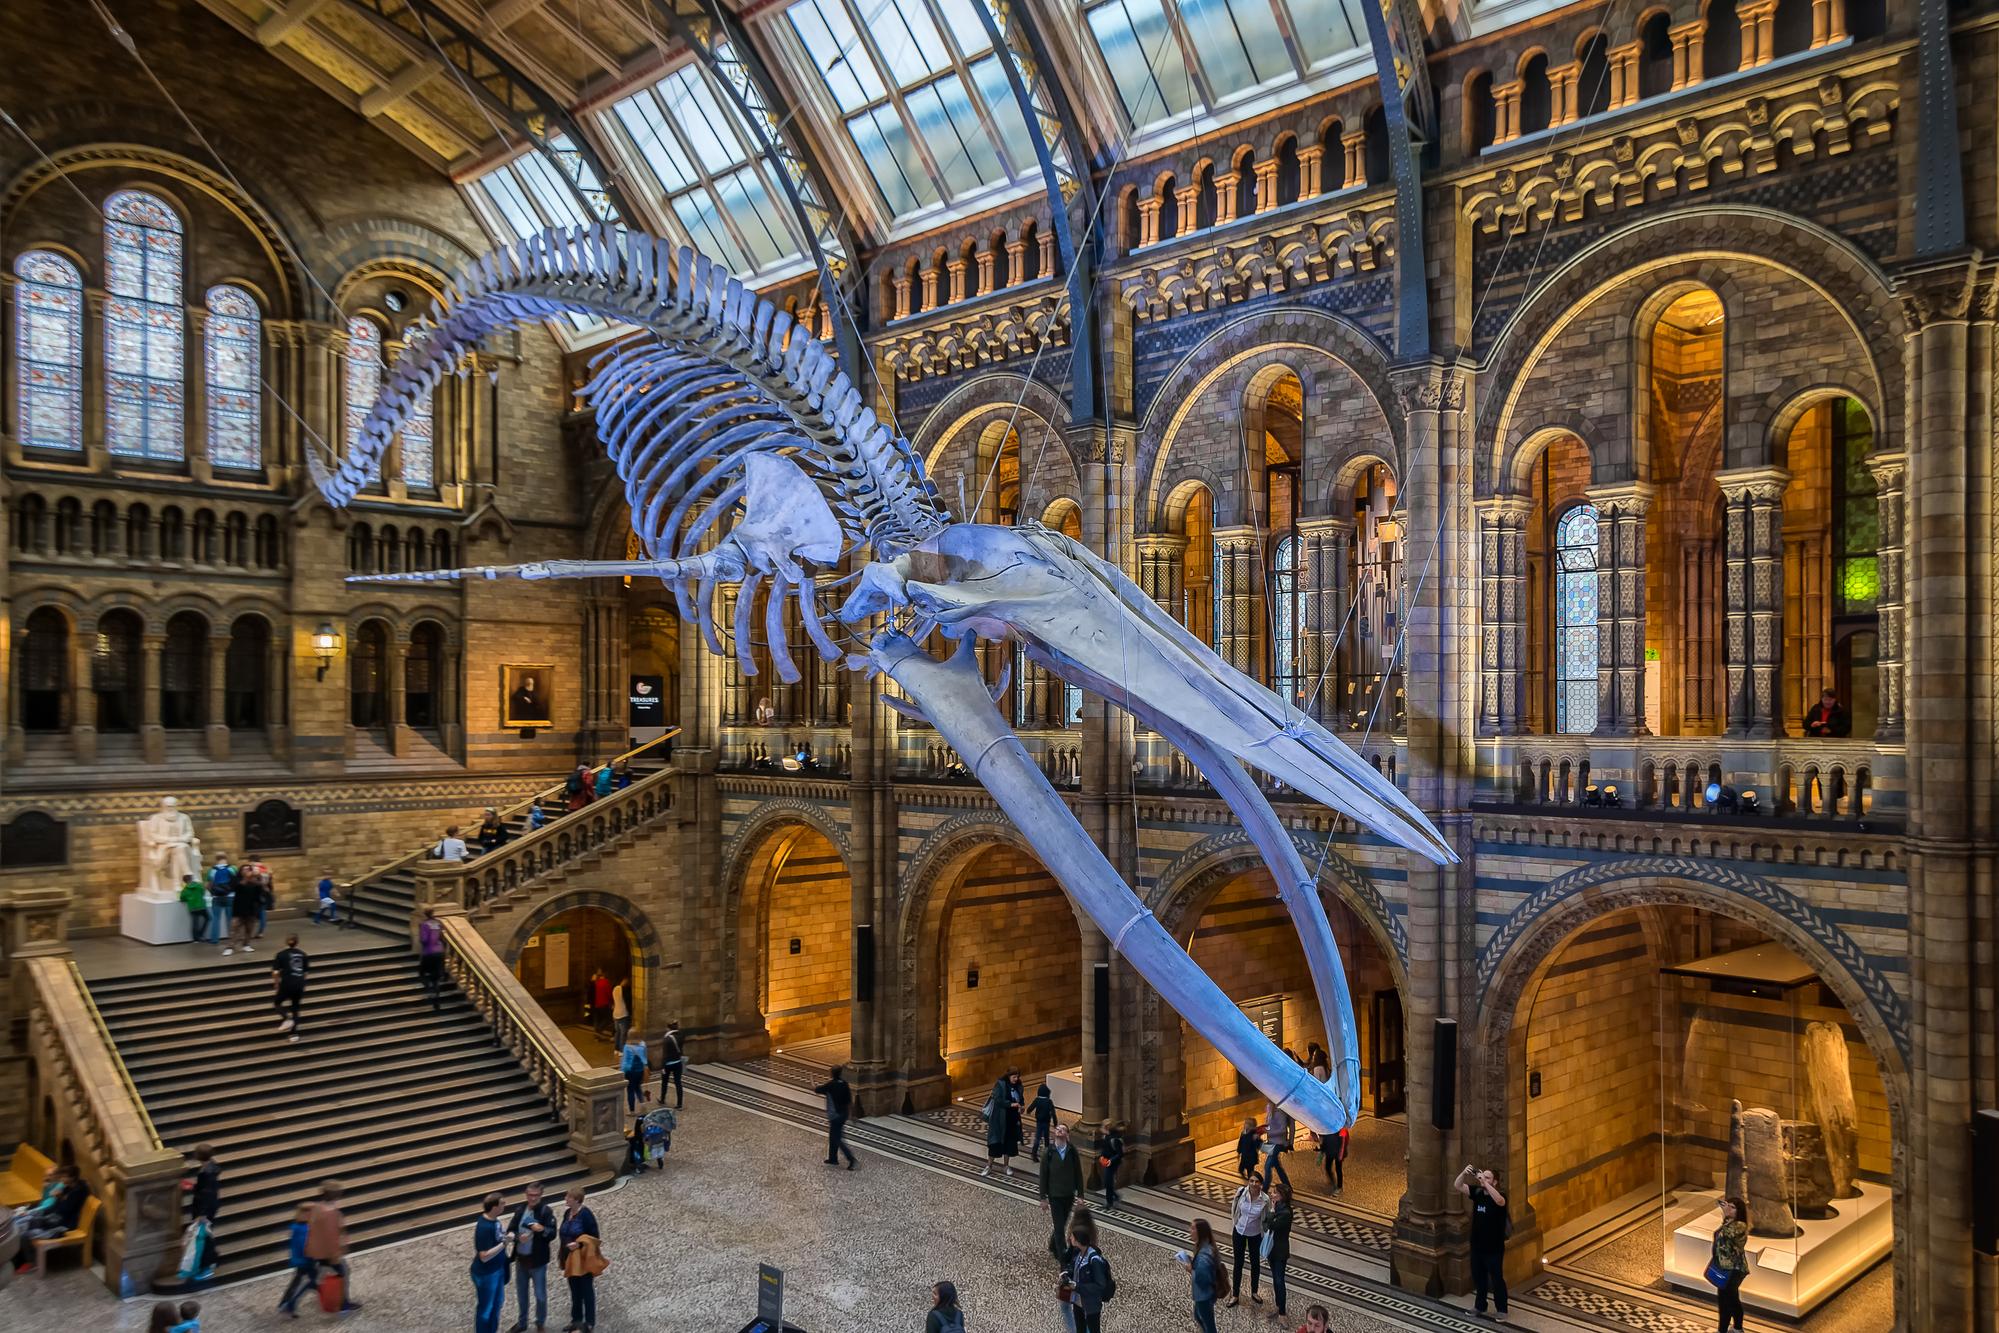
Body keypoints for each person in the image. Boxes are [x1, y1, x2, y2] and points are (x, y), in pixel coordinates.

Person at [1455, 1163, 1509, 1321]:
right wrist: (1463, 1173)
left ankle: (1502, 1309)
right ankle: (1480, 1305)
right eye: (1482, 1176)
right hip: (1477, 1246)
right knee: (1479, 1278)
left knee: (1497, 1278)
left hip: (1494, 1248)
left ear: (1495, 1182)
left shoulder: (1501, 1196)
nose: (1483, 1179)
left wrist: (1485, 1183)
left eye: (1488, 1177)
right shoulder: (1477, 1193)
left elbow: (1500, 1201)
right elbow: (1457, 1185)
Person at [304, 1180, 360, 1313]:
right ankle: (343, 1304)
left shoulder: (316, 1208)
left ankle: (319, 1291)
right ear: (337, 1196)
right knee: (344, 1273)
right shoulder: (334, 1214)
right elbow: (333, 1237)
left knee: (321, 1273)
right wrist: (336, 1254)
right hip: (329, 1252)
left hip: (316, 1250)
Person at [508, 1181, 556, 1333]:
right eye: (530, 1195)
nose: (532, 1198)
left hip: (537, 1261)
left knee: (540, 1296)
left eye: (535, 1195)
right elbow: (511, 1229)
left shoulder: (545, 1212)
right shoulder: (520, 1210)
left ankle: (540, 1322)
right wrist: (517, 1237)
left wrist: (541, 1229)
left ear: (541, 1195)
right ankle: (522, 1323)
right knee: (522, 1295)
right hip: (521, 1259)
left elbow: (552, 1233)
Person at [1058, 1210, 1113, 1333]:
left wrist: (1077, 1286)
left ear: (1078, 1240)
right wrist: (1066, 1273)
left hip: (1090, 1304)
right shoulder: (1078, 1252)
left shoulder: (1094, 1260)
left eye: (1072, 1236)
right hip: (1078, 1301)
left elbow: (1100, 1285)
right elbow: (1072, 1266)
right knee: (1080, 1329)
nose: (1070, 1238)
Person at [557, 1186, 601, 1333]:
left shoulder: (586, 1215)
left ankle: (589, 1323)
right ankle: (576, 1320)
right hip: (569, 1258)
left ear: (576, 1199)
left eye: (568, 1197)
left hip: (582, 1259)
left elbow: (594, 1237)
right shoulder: (567, 1213)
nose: (566, 1199)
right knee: (574, 1290)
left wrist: (579, 1244)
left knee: (586, 1290)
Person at [1038, 1122, 1084, 1260]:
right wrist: (1043, 1197)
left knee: (1063, 1222)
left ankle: (1053, 1244)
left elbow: (1078, 1173)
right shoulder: (1048, 1152)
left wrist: (1080, 1194)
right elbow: (1043, 1175)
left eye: (1063, 1129)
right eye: (1058, 1128)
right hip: (1055, 1195)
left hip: (1068, 1194)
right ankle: (1062, 1254)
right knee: (1059, 1226)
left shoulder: (1072, 1151)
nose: (1059, 1130)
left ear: (1067, 1135)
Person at [16, 1164, 87, 1251]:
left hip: (65, 1223)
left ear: (72, 1178)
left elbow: (66, 1210)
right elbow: (55, 1206)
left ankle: (28, 1258)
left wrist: (60, 1197)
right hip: (55, 1216)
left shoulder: (78, 1192)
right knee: (28, 1221)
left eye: (64, 1177)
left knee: (27, 1231)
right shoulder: (67, 1188)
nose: (61, 1179)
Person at [471, 1192, 514, 1333]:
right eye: (502, 1203)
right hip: (487, 1274)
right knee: (486, 1309)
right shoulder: (484, 1227)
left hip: (497, 1269)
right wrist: (505, 1243)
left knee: (497, 1304)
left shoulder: (495, 1221)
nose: (504, 1205)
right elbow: (484, 1256)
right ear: (494, 1207)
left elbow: (498, 1237)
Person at [1178, 1216, 1227, 1333]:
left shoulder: (1203, 1256)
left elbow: (1203, 1279)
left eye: (1193, 1228)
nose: (1190, 1230)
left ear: (1200, 1232)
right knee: (1199, 1316)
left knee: (1208, 1324)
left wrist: (1191, 1270)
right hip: (1205, 1295)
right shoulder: (1206, 1247)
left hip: (1204, 1295)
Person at [1228, 1169, 1268, 1307]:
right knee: (1238, 1263)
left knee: (1254, 1263)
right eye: (1251, 1181)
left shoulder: (1265, 1200)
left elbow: (1266, 1217)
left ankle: (1254, 1291)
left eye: (1256, 1181)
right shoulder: (1241, 1192)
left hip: (1255, 1234)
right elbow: (1234, 1207)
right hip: (1239, 1231)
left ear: (1261, 1184)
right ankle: (1235, 1294)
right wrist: (1235, 1222)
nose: (1253, 1184)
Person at [1711, 1196, 1750, 1333]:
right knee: (1724, 1301)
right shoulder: (1728, 1222)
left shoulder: (1740, 1225)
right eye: (1728, 1205)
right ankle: (1723, 1330)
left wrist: (1724, 1212)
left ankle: (1738, 1328)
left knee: (1731, 1301)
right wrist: (1726, 1217)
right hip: (1724, 1268)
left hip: (1734, 1270)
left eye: (1733, 1208)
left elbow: (1727, 1234)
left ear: (1739, 1211)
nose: (1728, 1209)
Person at [186, 1144, 221, 1279]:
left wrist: (202, 1214)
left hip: (205, 1209)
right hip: (211, 1206)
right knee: (206, 1234)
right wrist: (194, 1187)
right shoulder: (211, 1167)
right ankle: (212, 1259)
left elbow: (207, 1194)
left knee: (203, 1236)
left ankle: (208, 1266)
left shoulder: (206, 1173)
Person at [277, 1201, 318, 1316]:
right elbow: (304, 1246)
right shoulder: (303, 1229)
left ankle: (286, 1304)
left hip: (303, 1260)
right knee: (306, 1282)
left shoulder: (299, 1226)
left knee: (304, 1281)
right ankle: (287, 1305)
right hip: (305, 1261)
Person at [814, 1065, 858, 1169]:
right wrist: (852, 1115)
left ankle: (851, 1159)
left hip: (835, 1116)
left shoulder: (831, 1085)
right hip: (844, 1114)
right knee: (833, 1136)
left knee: (837, 1138)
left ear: (832, 1074)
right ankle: (833, 1158)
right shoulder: (844, 1084)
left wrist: (812, 1081)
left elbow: (816, 1089)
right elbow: (849, 1101)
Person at [1266, 1179, 1295, 1320]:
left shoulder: (1285, 1213)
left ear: (1282, 1196)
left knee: (1279, 1280)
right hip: (1273, 1249)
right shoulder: (1279, 1207)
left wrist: (1271, 1211)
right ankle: (1278, 1306)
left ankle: (1282, 1312)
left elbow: (1270, 1225)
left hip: (1280, 1251)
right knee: (1275, 1280)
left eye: (1275, 1192)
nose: (1272, 1194)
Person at [271, 935, 309, 1041]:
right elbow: (305, 972)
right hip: (299, 983)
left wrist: (276, 983)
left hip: (287, 983)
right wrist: (302, 983)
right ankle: (294, 1034)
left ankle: (286, 1019)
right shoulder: (303, 954)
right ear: (297, 943)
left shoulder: (281, 954)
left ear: (286, 942)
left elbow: (275, 972)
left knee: (277, 1003)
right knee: (295, 1008)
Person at [417, 906, 447, 1009]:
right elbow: (442, 938)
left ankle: (429, 989)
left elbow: (424, 940)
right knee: (436, 978)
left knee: (422, 973)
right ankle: (437, 1001)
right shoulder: (438, 923)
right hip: (440, 952)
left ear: (425, 914)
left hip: (429, 952)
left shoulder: (424, 924)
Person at [1262, 1099, 1293, 1190]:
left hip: (1279, 1143)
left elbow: (1282, 1130)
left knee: (1267, 1166)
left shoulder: (1281, 1111)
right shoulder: (1269, 1108)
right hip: (1271, 1142)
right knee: (1277, 1166)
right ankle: (1288, 1186)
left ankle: (1264, 1190)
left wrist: (1269, 1132)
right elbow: (1268, 1124)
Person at [230, 871, 263, 953]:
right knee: (235, 929)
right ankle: (230, 947)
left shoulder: (255, 886)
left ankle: (246, 945)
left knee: (249, 929)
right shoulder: (239, 883)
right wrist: (246, 879)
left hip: (251, 910)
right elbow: (236, 887)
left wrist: (259, 879)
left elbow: (258, 896)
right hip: (238, 910)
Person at [206, 855, 235, 949]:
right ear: (226, 859)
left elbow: (209, 885)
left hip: (217, 897)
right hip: (230, 896)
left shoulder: (212, 870)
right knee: (230, 919)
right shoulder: (232, 869)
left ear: (216, 860)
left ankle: (214, 939)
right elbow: (236, 882)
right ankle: (231, 938)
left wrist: (211, 893)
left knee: (216, 919)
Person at [658, 1021, 685, 1108]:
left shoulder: (666, 1039)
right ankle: (679, 1104)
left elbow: (664, 1054)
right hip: (678, 1062)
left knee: (664, 1082)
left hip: (667, 1064)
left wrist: (662, 1066)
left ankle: (662, 1099)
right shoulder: (681, 1036)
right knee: (678, 1083)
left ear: (668, 1028)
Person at [1098, 1121, 1125, 1210]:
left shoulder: (1115, 1139)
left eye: (1102, 1127)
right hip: (1106, 1161)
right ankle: (1115, 1196)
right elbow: (1104, 1148)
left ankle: (1109, 1202)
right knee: (1107, 1182)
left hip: (1113, 1163)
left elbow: (1120, 1153)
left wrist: (1111, 1161)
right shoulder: (1105, 1137)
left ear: (1107, 1128)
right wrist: (1102, 1156)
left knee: (1108, 1181)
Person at [1028, 1082, 1057, 1162]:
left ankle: (1034, 1154)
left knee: (1037, 1138)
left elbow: (1031, 1107)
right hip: (1046, 1122)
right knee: (1046, 1138)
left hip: (1039, 1121)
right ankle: (1047, 1154)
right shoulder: (1049, 1101)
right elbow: (1053, 1113)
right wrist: (1055, 1123)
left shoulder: (1037, 1100)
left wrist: (1028, 1111)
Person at [619, 1035, 648, 1113]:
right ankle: (642, 1104)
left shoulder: (627, 1047)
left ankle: (632, 1110)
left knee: (630, 1090)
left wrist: (622, 1071)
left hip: (630, 1072)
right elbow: (645, 1059)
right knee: (638, 1087)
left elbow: (625, 1062)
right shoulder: (642, 1045)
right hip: (640, 1070)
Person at [179, 875, 209, 944]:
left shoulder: (185, 890)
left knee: (195, 923)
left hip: (192, 908)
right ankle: (201, 934)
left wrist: (187, 899)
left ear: (184, 881)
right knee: (208, 918)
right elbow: (203, 892)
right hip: (201, 906)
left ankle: (196, 939)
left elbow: (182, 898)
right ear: (191, 879)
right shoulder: (199, 886)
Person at [1320, 1123, 1348, 1192]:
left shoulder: (1342, 1129)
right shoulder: (1327, 1128)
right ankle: (1333, 1181)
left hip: (1338, 1153)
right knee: (1327, 1167)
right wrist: (1322, 1151)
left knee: (1338, 1169)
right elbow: (1324, 1141)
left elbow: (1343, 1142)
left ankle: (1339, 1186)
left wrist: (1341, 1154)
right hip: (1330, 1151)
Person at [610, 979, 632, 1052]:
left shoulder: (615, 988)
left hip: (615, 1013)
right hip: (623, 1014)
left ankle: (616, 1049)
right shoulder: (624, 990)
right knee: (623, 1033)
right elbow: (628, 1002)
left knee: (617, 1032)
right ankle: (622, 1050)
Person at [589, 970, 612, 1037]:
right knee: (608, 1018)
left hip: (596, 1004)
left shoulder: (596, 983)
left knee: (597, 1019)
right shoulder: (606, 982)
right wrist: (612, 1001)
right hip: (604, 1003)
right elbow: (609, 993)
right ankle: (599, 1030)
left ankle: (597, 1034)